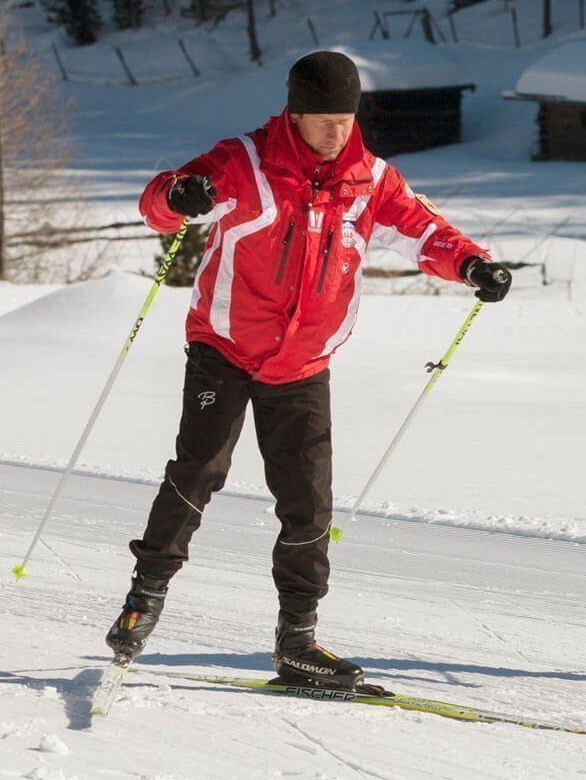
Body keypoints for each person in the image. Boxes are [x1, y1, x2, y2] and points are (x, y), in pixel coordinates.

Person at [104, 51, 513, 689]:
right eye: (321, 119)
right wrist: (178, 195)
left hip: (302, 363)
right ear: (293, 114)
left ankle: (297, 640)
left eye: (344, 120)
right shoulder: (245, 162)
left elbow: (422, 231)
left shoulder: (371, 179)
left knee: (308, 503)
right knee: (199, 471)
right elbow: (162, 203)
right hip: (226, 347)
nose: (334, 132)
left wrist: (472, 265)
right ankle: (143, 599)